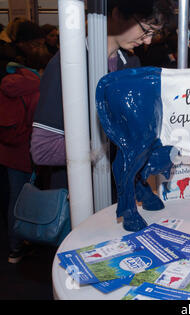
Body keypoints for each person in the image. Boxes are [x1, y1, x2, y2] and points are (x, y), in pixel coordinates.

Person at [30, 0, 168, 190]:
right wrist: (101, 148)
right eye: (146, 30)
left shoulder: (131, 65)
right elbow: (42, 149)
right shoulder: (67, 66)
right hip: (78, 195)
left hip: (118, 192)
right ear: (118, 13)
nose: (148, 41)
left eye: (154, 33)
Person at [0, 21, 51, 263]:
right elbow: (38, 124)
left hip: (6, 147)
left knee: (12, 198)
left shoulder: (8, 80)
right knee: (26, 198)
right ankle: (24, 241)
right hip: (27, 151)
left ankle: (14, 246)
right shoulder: (36, 87)